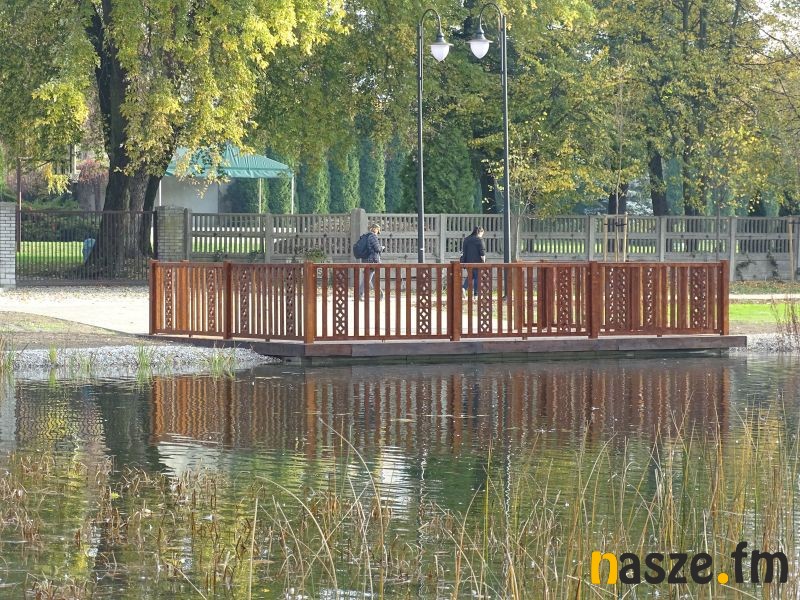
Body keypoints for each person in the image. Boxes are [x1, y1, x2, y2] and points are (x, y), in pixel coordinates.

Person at [359, 223, 384, 300]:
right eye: (378, 230)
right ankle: (359, 294)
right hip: (372, 261)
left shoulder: (366, 236)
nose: (378, 232)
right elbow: (377, 248)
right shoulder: (373, 236)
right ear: (375, 229)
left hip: (366, 260)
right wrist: (382, 248)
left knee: (373, 279)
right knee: (367, 279)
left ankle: (380, 294)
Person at [461, 226, 486, 295]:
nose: (482, 235)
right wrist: (484, 261)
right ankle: (476, 294)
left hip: (467, 262)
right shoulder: (479, 240)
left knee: (470, 275)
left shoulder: (466, 239)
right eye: (482, 233)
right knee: (477, 277)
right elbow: (482, 252)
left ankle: (464, 287)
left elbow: (463, 251)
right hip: (477, 262)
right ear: (480, 232)